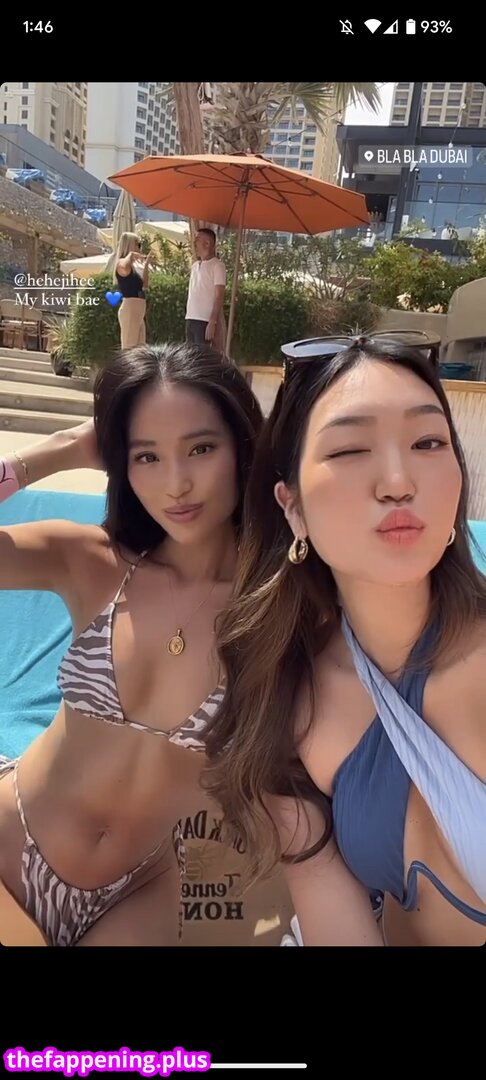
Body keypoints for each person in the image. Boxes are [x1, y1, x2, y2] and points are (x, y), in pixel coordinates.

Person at [203, 334, 486, 947]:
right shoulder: (285, 696)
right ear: (292, 507)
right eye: (351, 449)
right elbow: (334, 919)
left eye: (428, 443)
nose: (398, 482)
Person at [0, 342, 263, 946]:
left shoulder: (275, 605)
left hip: (147, 886)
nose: (176, 484)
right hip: (12, 839)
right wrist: (59, 450)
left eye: (201, 448)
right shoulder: (90, 560)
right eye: (146, 456)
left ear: (243, 446)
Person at [185, 229, 226, 347]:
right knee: (189, 354)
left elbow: (219, 296)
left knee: (202, 354)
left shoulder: (217, 266)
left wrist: (212, 321)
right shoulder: (195, 266)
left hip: (204, 319)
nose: (194, 243)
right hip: (191, 317)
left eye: (198, 239)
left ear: (207, 243)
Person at [114, 232, 153, 348]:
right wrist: (131, 255)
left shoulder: (132, 268)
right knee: (129, 347)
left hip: (138, 307)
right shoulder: (122, 263)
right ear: (130, 245)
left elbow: (144, 285)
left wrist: (146, 264)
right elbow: (123, 266)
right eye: (137, 244)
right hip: (131, 307)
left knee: (140, 348)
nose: (139, 247)